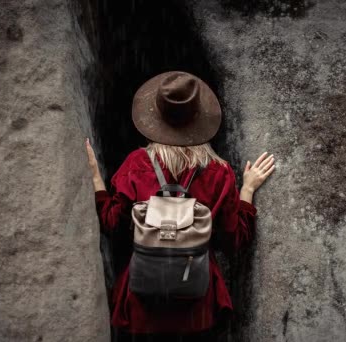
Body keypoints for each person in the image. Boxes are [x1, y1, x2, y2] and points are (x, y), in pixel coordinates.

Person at [85, 71, 275, 341]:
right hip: (197, 306)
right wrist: (247, 190)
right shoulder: (218, 172)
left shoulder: (136, 164)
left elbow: (111, 223)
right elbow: (235, 239)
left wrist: (94, 177)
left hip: (142, 304)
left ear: (155, 117)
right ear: (199, 119)